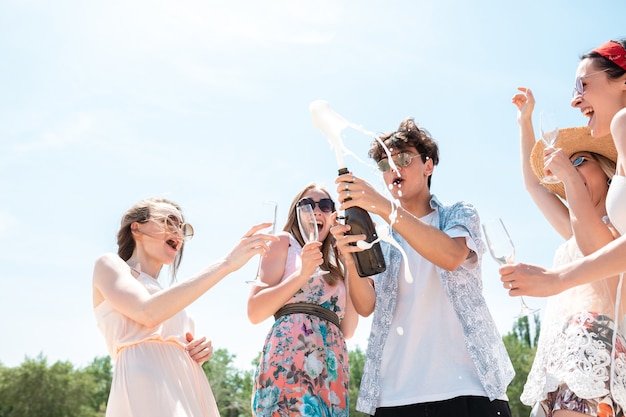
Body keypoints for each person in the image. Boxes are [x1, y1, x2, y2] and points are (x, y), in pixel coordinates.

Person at [330, 118, 514, 417]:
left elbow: (451, 255)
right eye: (384, 164)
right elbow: (366, 306)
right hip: (394, 396)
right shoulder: (383, 239)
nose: (393, 170)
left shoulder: (458, 213)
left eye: (402, 159)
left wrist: (384, 208)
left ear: (428, 165)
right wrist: (349, 257)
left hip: (469, 387)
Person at [93, 197, 277, 417]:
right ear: (136, 227)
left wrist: (197, 349)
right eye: (169, 222)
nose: (178, 233)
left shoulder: (165, 292)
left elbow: (162, 321)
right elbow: (147, 312)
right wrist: (226, 264)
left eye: (182, 228)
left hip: (188, 389)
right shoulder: (110, 265)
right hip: (148, 385)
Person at [512, 87, 622, 416]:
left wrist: (569, 180)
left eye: (580, 160)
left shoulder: (618, 225)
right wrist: (525, 122)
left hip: (597, 353)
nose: (571, 170)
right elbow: (533, 184)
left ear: (606, 169)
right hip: (562, 358)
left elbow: (596, 251)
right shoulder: (573, 227)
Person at [248, 184, 358, 417]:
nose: (316, 211)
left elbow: (347, 329)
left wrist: (350, 263)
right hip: (291, 357)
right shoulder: (283, 243)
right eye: (307, 204)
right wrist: (303, 273)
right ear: (295, 213)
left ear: (332, 216)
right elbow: (254, 311)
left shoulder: (336, 264)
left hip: (332, 364)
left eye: (325, 206)